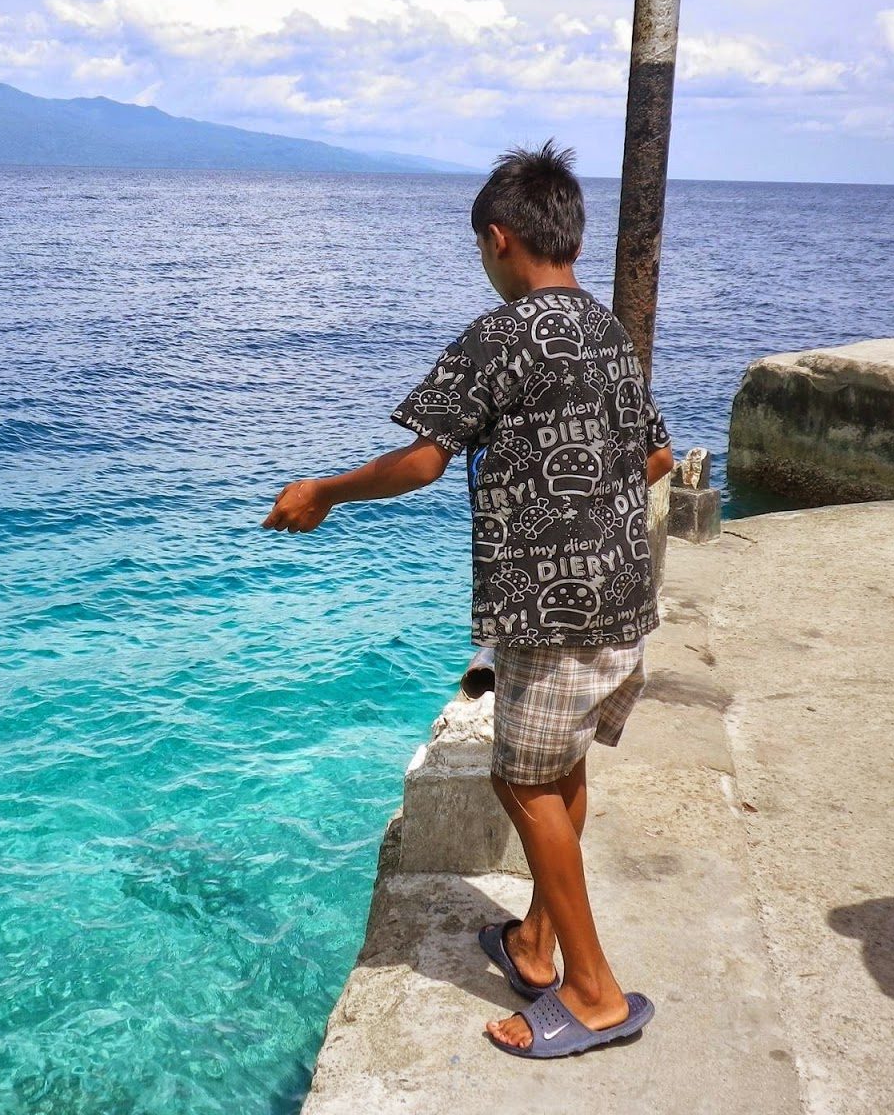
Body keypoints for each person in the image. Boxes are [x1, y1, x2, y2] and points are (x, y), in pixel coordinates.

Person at [261, 140, 674, 1059]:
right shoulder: (610, 335)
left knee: (521, 780)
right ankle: (534, 942)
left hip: (549, 611)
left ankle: (596, 993)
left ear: (499, 239)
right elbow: (651, 457)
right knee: (559, 774)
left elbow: (423, 458)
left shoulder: (502, 334)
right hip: (621, 604)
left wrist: (323, 491)